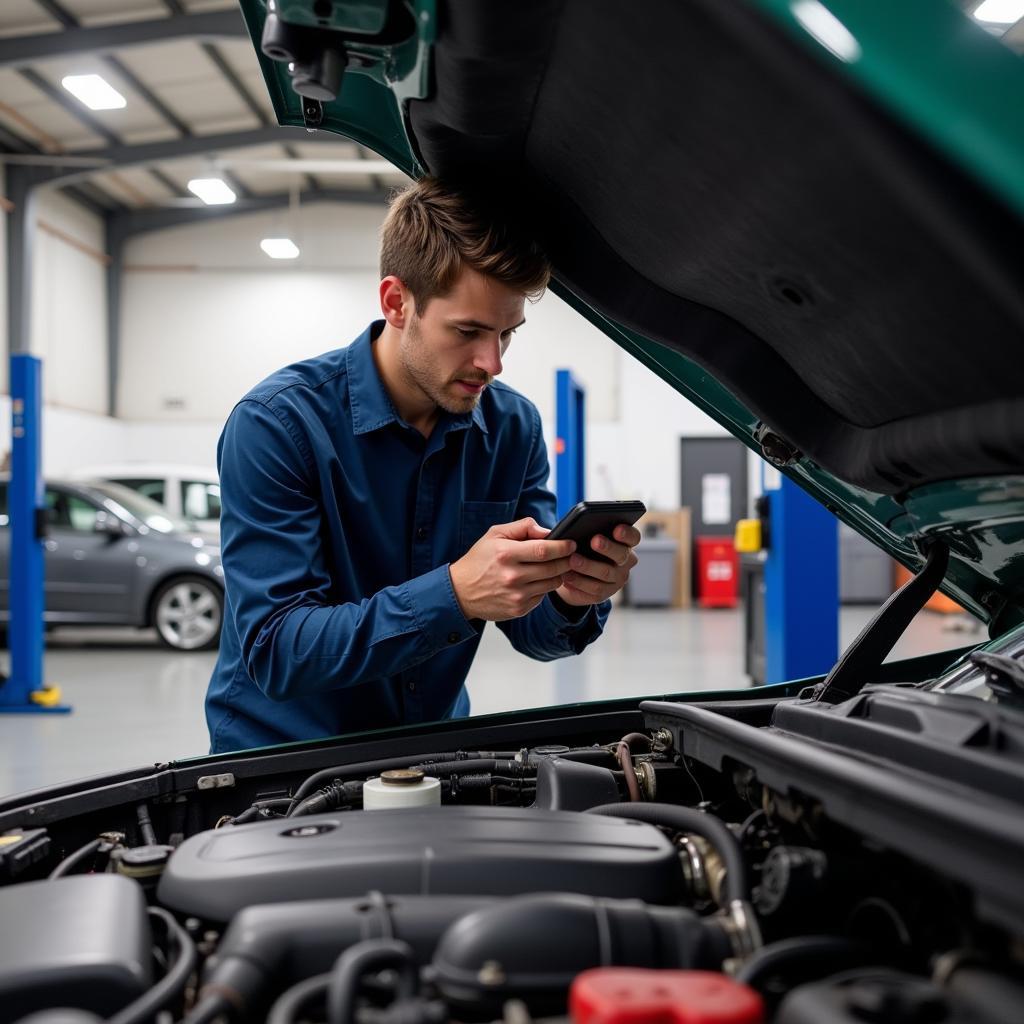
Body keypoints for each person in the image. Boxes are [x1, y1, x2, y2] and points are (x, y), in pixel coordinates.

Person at [205, 178, 640, 753]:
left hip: (430, 753)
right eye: (468, 332)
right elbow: (277, 651)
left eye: (507, 334)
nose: (493, 363)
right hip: (284, 763)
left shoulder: (512, 430)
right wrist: (454, 594)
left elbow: (534, 633)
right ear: (395, 302)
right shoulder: (277, 425)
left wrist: (571, 596)